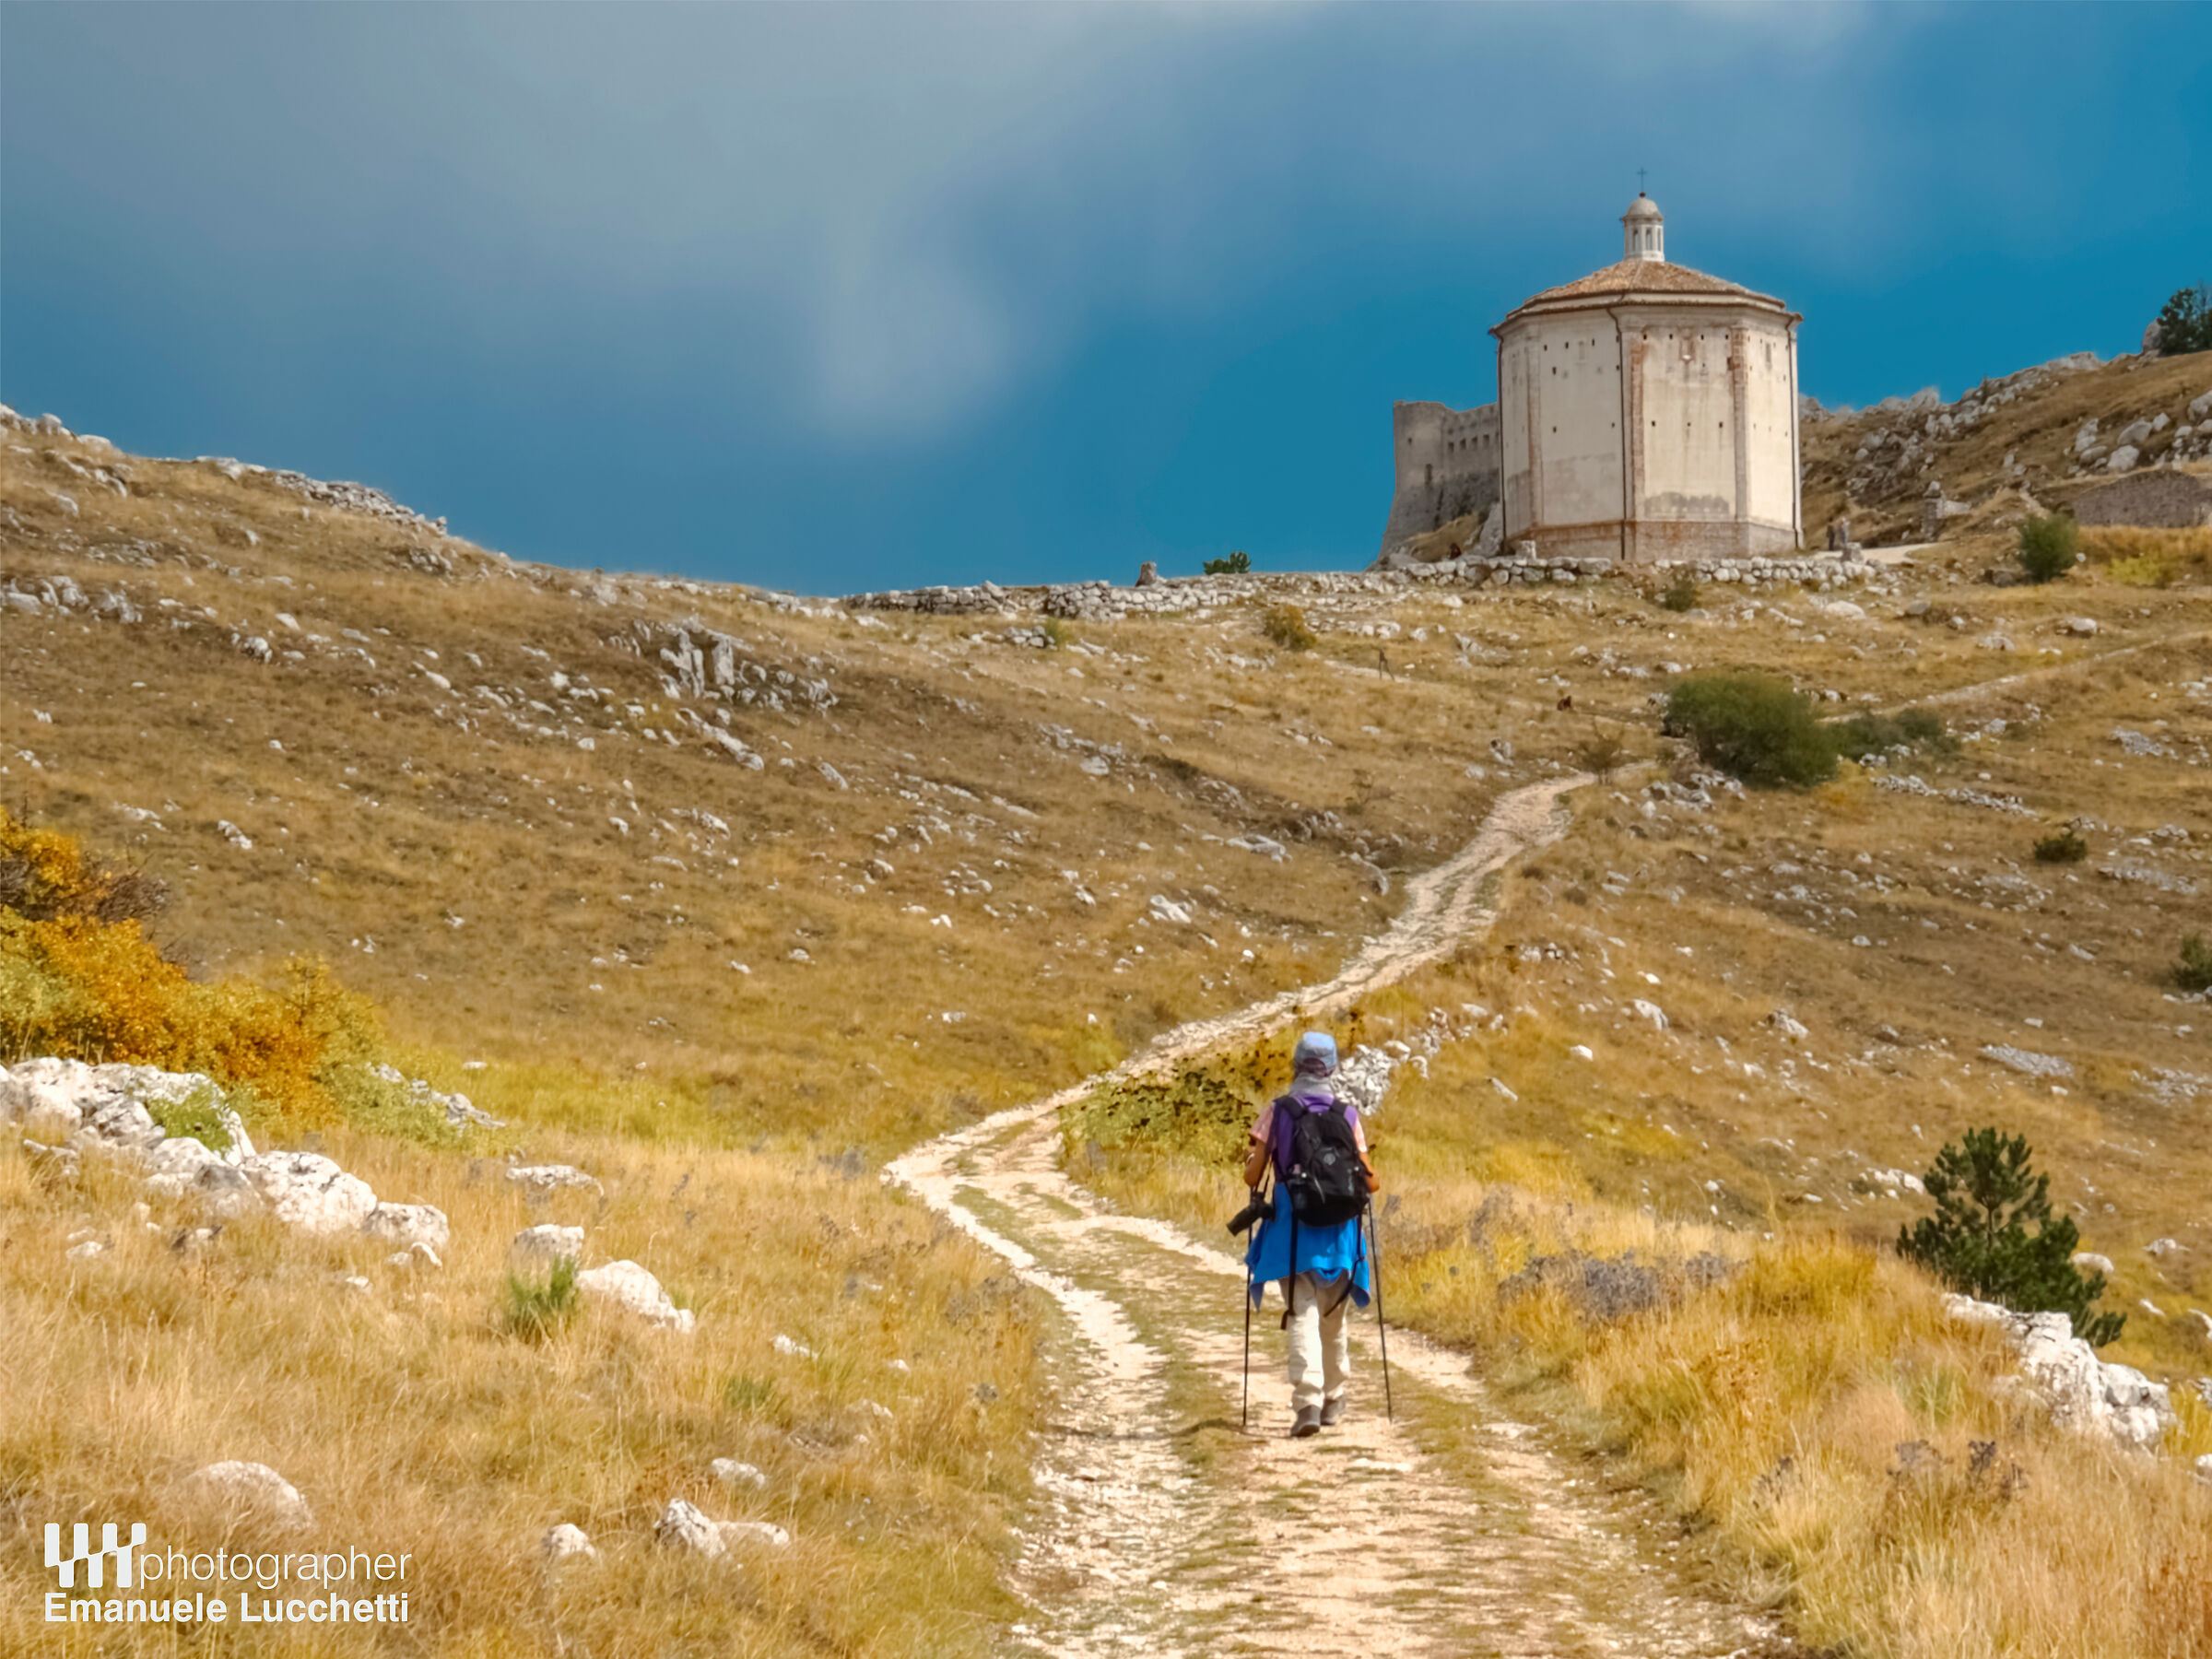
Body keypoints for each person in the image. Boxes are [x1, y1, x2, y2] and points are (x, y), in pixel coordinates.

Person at [1241, 1031, 1379, 1438]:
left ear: (1296, 1065)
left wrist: (1251, 1159)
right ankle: (1335, 1398)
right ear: (1332, 1068)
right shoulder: (1347, 1114)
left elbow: (1254, 1175)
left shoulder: (1277, 1111)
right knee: (1333, 1319)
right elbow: (1371, 1182)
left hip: (1293, 1231)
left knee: (1301, 1312)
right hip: (1339, 1233)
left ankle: (1308, 1404)